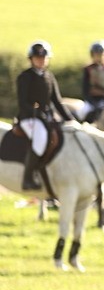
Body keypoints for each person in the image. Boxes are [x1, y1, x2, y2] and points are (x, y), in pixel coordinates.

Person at [16, 40, 73, 190]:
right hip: (29, 118)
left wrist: (71, 119)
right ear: (31, 59)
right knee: (40, 139)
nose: (41, 61)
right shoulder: (25, 77)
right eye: (37, 58)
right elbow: (23, 103)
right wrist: (39, 115)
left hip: (47, 117)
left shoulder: (49, 76)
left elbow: (57, 102)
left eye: (43, 58)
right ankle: (27, 179)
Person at [79, 40, 104, 124]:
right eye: (96, 54)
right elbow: (85, 89)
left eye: (100, 54)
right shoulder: (88, 70)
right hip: (92, 100)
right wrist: (92, 102)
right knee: (83, 113)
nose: (99, 57)